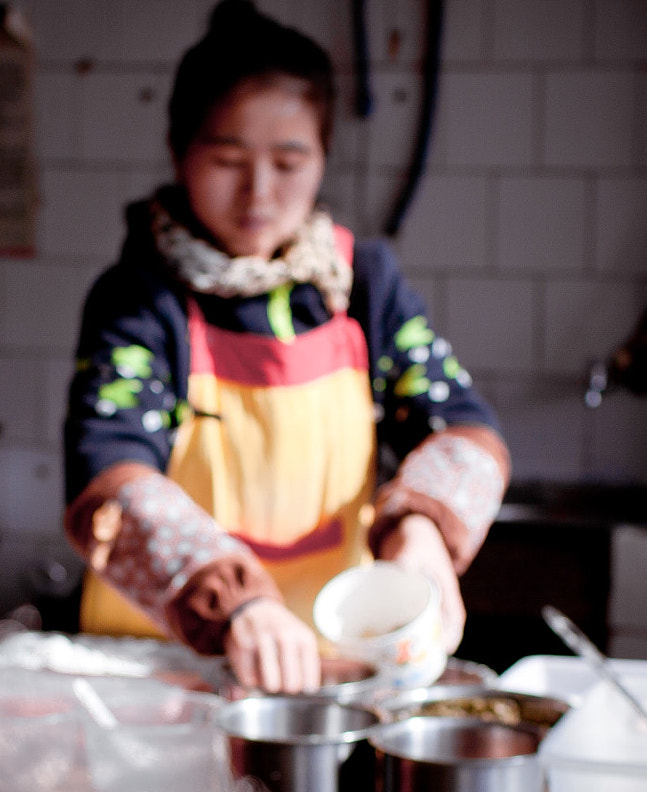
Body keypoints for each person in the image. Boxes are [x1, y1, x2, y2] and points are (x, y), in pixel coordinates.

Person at [63, 0, 510, 693]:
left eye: (289, 161)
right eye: (228, 159)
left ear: (324, 158)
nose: (259, 193)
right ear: (181, 152)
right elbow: (111, 484)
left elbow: (463, 429)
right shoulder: (141, 299)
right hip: (164, 674)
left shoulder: (363, 285)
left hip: (333, 671)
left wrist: (422, 529)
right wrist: (230, 599)